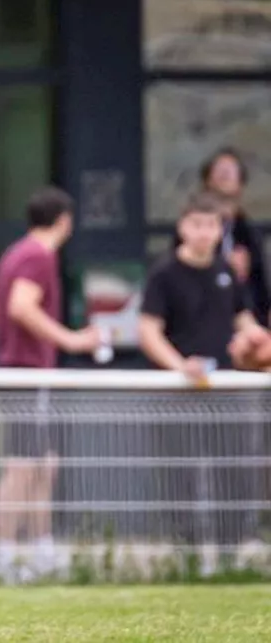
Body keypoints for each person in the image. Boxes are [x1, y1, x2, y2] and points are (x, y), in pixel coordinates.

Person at [140, 190, 266, 573]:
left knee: (234, 472)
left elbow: (243, 321)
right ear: (182, 227)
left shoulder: (226, 271)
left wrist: (257, 342)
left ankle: (230, 557)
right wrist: (180, 366)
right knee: (180, 476)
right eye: (196, 224)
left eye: (211, 225)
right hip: (178, 394)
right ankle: (187, 558)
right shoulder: (163, 274)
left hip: (226, 391)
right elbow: (148, 331)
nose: (204, 232)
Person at [0, 187, 102, 582]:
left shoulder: (20, 252)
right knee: (22, 466)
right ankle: (2, 554)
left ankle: (41, 548)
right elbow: (21, 306)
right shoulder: (36, 255)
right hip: (25, 371)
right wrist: (70, 339)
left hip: (29, 372)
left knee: (44, 466)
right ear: (65, 220)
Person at [174, 148, 269, 324]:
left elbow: (261, 285)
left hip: (244, 321)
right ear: (207, 180)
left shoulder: (249, 232)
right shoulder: (192, 226)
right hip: (200, 320)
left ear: (241, 183)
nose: (225, 174)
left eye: (231, 170)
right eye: (220, 170)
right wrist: (219, 263)